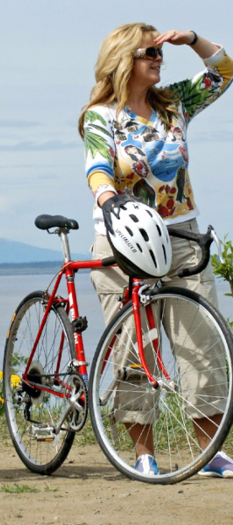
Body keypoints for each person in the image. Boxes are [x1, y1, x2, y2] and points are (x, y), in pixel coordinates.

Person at [80, 23, 233, 477]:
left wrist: (191, 40)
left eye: (157, 51)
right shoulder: (99, 116)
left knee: (201, 345)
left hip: (181, 238)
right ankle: (143, 453)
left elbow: (224, 70)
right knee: (133, 348)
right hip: (125, 240)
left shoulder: (174, 103)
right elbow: (98, 167)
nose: (157, 57)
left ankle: (209, 452)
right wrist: (108, 199)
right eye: (148, 51)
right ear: (123, 58)